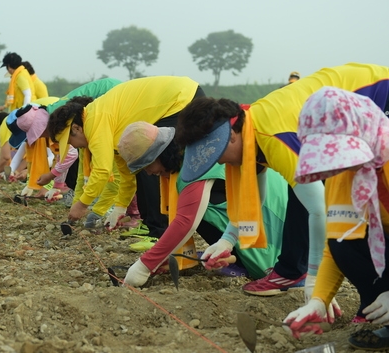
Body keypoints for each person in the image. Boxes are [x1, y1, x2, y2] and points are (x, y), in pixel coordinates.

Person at [175, 63, 389, 300]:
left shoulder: (273, 137)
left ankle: (316, 278)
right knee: (303, 187)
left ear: (231, 137)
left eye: (216, 156)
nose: (220, 164)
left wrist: (315, 281)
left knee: (365, 204)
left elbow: (319, 210)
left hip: (379, 93)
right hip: (343, 111)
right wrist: (227, 240)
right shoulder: (249, 127)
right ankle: (292, 271)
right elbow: (256, 193)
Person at [117, 121, 288, 286]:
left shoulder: (195, 161)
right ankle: (236, 256)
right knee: (193, 206)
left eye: (147, 165)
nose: (148, 172)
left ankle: (262, 261)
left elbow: (185, 222)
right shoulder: (187, 150)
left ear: (160, 154)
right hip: (263, 203)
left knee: (196, 210)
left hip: (271, 214)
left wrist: (144, 266)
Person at [283, 88, 389, 350]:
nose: (339, 164)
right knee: (344, 243)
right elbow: (336, 246)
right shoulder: (341, 175)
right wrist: (318, 300)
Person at [47, 76, 203, 238]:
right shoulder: (105, 124)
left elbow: (102, 171)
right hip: (179, 97)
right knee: (140, 164)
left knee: (149, 162)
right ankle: (153, 227)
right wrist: (120, 208)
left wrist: (82, 204)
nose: (73, 146)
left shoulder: (95, 121)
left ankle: (159, 233)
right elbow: (127, 174)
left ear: (77, 128)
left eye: (70, 141)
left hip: (179, 99)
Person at [6, 78, 122, 211]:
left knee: (111, 160)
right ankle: (97, 201)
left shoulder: (59, 121)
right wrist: (55, 186)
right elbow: (63, 155)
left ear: (39, 128)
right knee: (86, 156)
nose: (39, 138)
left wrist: (52, 180)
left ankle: (113, 205)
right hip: (109, 97)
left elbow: (69, 154)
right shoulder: (51, 117)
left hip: (112, 97)